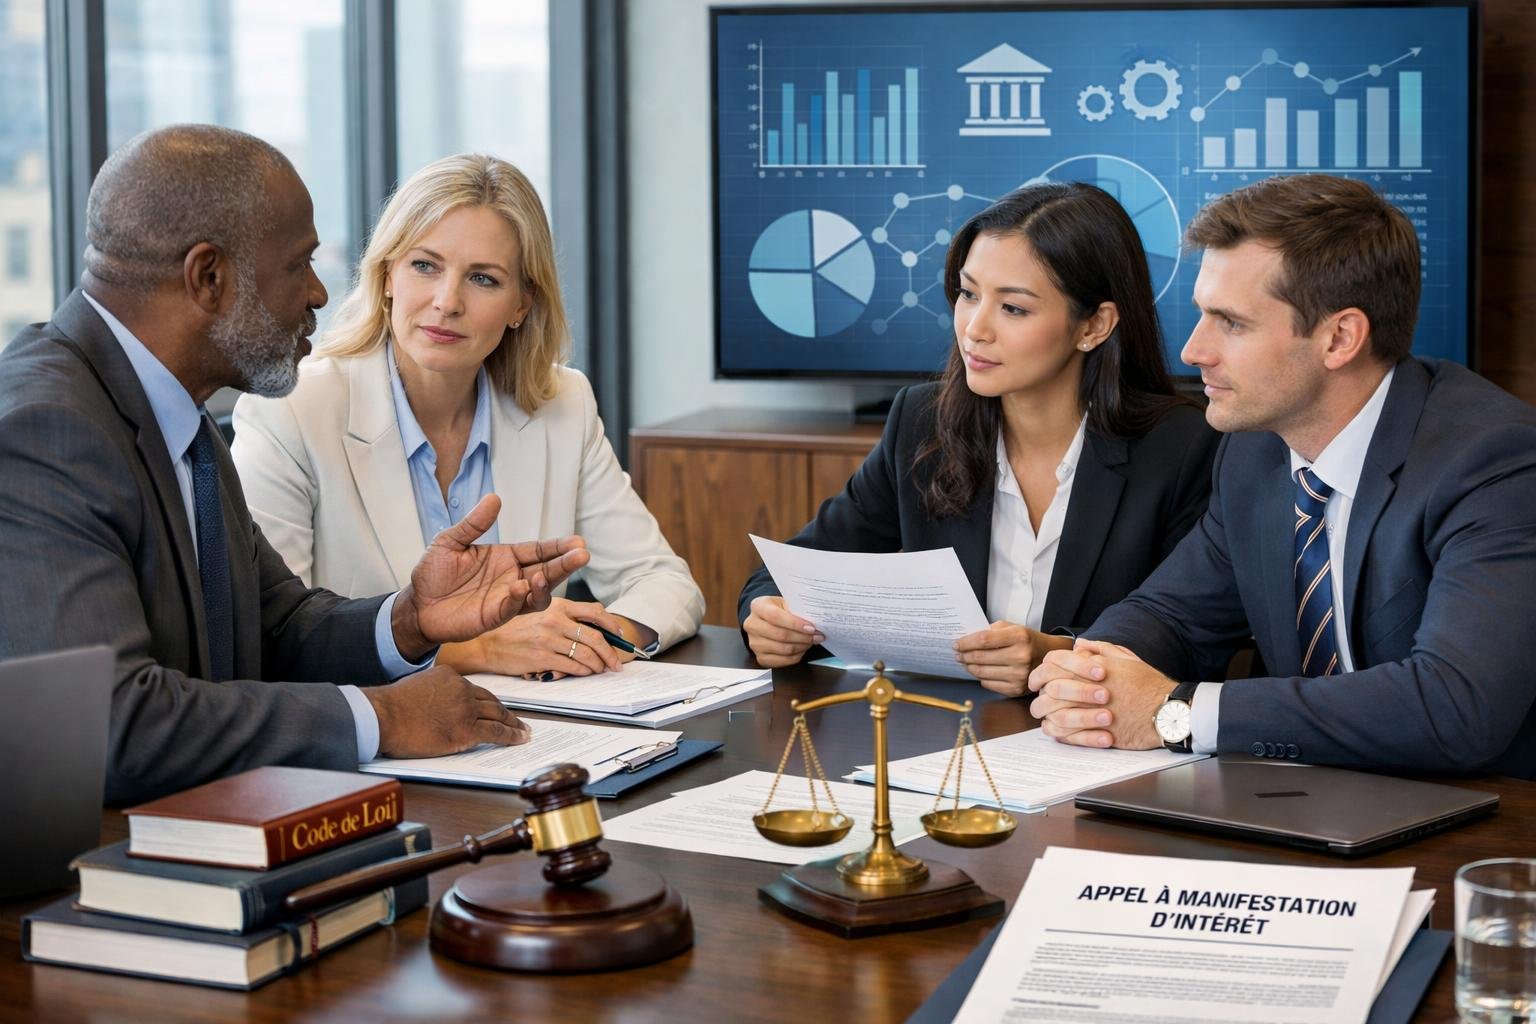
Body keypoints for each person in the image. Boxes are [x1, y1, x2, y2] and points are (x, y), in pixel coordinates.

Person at [0, 125, 592, 805]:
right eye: (298, 265)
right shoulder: (44, 433)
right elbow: (107, 728)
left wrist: (413, 618)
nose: (318, 292)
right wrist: (383, 716)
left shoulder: (180, 421)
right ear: (209, 277)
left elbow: (277, 627)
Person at [1027, 173, 1536, 779]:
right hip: (1306, 804)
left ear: (1340, 337)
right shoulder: (1253, 451)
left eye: (1231, 323)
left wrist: (1179, 713)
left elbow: (1454, 708)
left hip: (1484, 823)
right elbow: (1173, 615)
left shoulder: (1495, 462)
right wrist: (1089, 674)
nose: (1192, 351)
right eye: (1200, 316)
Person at [232, 153, 702, 681]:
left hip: (548, 733)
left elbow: (663, 582)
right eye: (424, 266)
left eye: (483, 278)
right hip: (379, 741)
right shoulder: (294, 409)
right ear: (387, 275)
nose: (446, 302)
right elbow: (265, 637)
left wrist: (584, 641)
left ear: (522, 304)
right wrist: (481, 649)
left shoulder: (562, 403)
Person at [739, 182, 1220, 693]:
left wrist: (1053, 653)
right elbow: (789, 570)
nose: (974, 329)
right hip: (942, 737)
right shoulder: (921, 422)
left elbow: (1192, 638)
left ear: (1095, 325)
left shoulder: (1183, 446)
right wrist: (769, 616)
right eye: (968, 294)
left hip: (1098, 743)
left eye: (1013, 308)